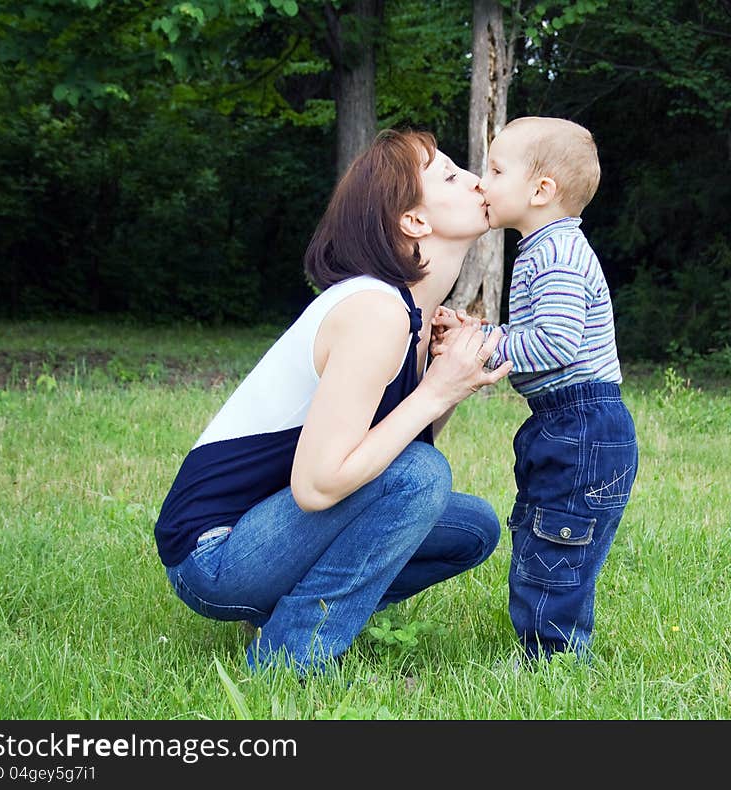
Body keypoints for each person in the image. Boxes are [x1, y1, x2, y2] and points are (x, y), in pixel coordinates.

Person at [154, 129, 513, 676]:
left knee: (472, 528)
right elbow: (320, 485)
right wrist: (437, 389)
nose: (475, 179)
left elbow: (386, 459)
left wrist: (444, 383)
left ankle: (287, 615)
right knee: (421, 476)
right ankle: (289, 659)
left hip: (273, 531)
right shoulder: (375, 311)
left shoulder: (409, 316)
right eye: (449, 175)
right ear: (414, 222)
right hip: (214, 554)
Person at [432, 116, 639, 662]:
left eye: (496, 169)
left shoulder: (558, 254)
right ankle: (545, 645)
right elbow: (539, 334)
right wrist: (479, 334)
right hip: (564, 423)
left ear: (541, 190)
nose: (482, 180)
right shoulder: (543, 248)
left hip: (583, 426)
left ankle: (555, 659)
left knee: (558, 542)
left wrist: (486, 348)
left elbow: (555, 344)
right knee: (540, 530)